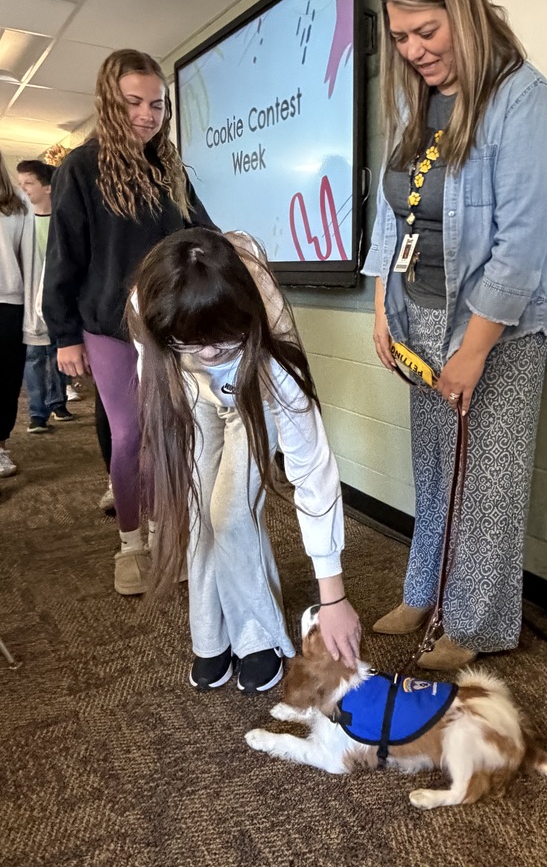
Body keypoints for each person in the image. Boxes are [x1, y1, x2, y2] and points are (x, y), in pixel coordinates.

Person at [363, 0, 547, 670]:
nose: (413, 50)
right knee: (434, 468)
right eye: (400, 36)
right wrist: (383, 308)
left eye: (426, 30)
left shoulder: (524, 101)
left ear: (467, 8)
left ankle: (474, 624)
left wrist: (473, 351)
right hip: (420, 317)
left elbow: (523, 245)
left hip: (497, 331)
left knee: (486, 485)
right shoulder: (416, 102)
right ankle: (426, 590)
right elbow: (393, 214)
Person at [127, 227, 361, 692]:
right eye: (195, 342)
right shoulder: (147, 308)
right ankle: (211, 637)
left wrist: (333, 598)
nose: (210, 353)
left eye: (220, 340)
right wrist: (189, 356)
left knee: (230, 513)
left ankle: (257, 638)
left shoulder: (270, 339)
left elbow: (311, 470)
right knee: (198, 510)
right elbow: (158, 381)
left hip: (253, 385)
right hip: (188, 390)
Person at [42, 49, 216, 595]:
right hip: (108, 326)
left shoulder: (168, 168)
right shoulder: (80, 168)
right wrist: (65, 336)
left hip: (168, 325)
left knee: (173, 432)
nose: (147, 114)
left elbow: (203, 232)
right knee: (129, 436)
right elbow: (64, 256)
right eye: (134, 102)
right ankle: (132, 543)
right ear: (110, 102)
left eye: (157, 104)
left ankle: (168, 533)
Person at [17, 159, 75, 433]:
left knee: (59, 352)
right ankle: (37, 412)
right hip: (31, 302)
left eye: (29, 183)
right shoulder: (23, 222)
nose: (24, 189)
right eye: (21, 184)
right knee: (35, 356)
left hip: (60, 300)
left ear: (48, 187)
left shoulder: (64, 220)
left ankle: (58, 403)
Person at [0, 150, 34, 479]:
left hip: (8, 304)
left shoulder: (17, 203)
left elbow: (29, 261)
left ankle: (0, 443)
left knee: (6, 380)